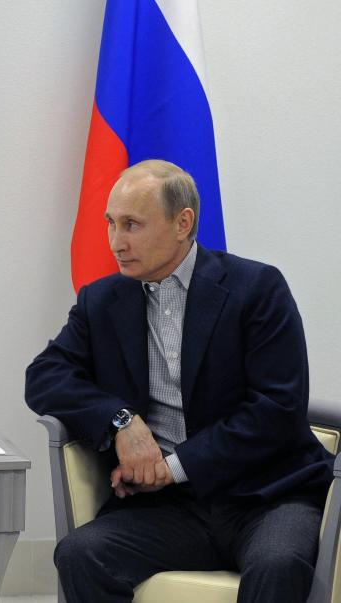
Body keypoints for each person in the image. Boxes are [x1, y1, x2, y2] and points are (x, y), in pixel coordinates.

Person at [26, 159, 335, 603]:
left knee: (277, 566)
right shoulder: (102, 301)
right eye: (111, 224)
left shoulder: (257, 289)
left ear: (182, 223)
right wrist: (121, 422)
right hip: (171, 510)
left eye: (131, 224)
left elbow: (276, 410)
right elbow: (44, 377)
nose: (116, 242)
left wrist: (170, 469)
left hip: (268, 497)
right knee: (82, 554)